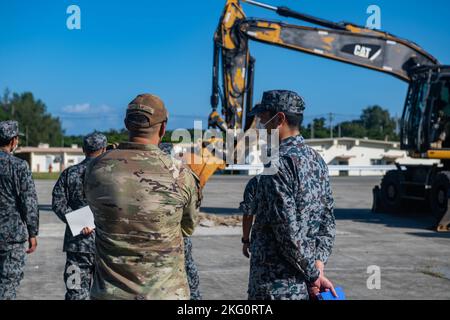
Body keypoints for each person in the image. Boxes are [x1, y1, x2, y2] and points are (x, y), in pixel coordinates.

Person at [84, 94, 200, 300]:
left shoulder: (96, 168)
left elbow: (93, 211)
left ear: (126, 124)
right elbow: (188, 226)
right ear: (163, 128)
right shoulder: (180, 174)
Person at [246, 90, 337, 300]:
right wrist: (318, 264)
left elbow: (286, 230)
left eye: (262, 119)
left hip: (275, 286)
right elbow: (328, 221)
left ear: (279, 119)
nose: (260, 126)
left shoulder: (277, 164)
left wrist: (314, 275)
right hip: (305, 284)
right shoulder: (317, 160)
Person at [52, 132, 107, 300]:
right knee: (106, 292)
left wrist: (79, 223)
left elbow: (58, 203)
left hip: (77, 244)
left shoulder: (69, 173)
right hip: (106, 244)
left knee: (75, 290)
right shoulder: (111, 175)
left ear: (83, 149)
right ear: (104, 149)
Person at [0, 120, 39, 300]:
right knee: (8, 283)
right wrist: (32, 232)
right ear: (13, 140)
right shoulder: (18, 166)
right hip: (11, 235)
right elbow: (28, 201)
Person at [159, 142, 202, 300]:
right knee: (189, 274)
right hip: (180, 235)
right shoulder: (185, 175)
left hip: (156, 236)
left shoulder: (147, 175)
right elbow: (192, 213)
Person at [239, 175, 260, 258]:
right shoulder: (296, 177)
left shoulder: (255, 181)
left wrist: (246, 241)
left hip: (263, 243)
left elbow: (248, 214)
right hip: (290, 241)